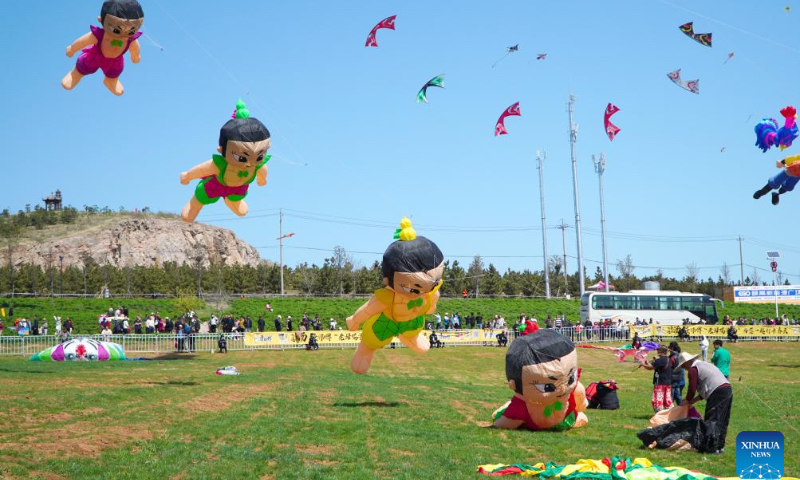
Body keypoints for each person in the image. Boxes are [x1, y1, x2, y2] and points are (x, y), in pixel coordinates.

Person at [180, 99, 271, 222]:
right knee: (203, 196)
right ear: (222, 150)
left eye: (259, 157)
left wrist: (262, 179)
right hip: (216, 185)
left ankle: (233, 201)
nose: (250, 163)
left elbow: (263, 172)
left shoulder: (257, 165)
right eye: (242, 158)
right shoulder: (220, 164)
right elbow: (202, 170)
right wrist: (188, 176)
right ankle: (194, 205)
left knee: (236, 197)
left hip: (237, 188)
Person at [492, 330, 588, 431]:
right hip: (544, 418)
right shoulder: (523, 405)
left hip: (566, 417)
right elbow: (505, 422)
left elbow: (503, 423)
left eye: (571, 379)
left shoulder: (574, 390)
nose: (563, 389)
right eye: (547, 387)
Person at [61, 0, 145, 96]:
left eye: (131, 31)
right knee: (84, 65)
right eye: (116, 30)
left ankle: (111, 81)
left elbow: (135, 48)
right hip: (95, 56)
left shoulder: (130, 39)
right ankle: (75, 74)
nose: (123, 34)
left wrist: (136, 56)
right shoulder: (99, 35)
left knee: (115, 71)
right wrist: (72, 48)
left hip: (115, 60)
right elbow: (83, 41)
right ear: (100, 19)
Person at [675, 351, 733, 453]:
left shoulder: (693, 369)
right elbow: (703, 392)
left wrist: (687, 400)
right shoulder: (702, 365)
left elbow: (692, 389)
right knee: (723, 420)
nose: (684, 368)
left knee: (712, 420)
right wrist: (692, 401)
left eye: (683, 366)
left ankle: (711, 448)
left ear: (687, 362)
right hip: (727, 390)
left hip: (717, 393)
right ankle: (719, 446)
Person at [639, 346, 673, 412]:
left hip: (660, 383)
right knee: (667, 399)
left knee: (658, 400)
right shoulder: (668, 359)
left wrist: (643, 364)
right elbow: (654, 366)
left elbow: (650, 368)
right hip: (668, 382)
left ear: (660, 351)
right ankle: (669, 413)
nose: (657, 352)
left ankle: (659, 414)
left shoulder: (660, 360)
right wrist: (647, 362)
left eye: (658, 351)